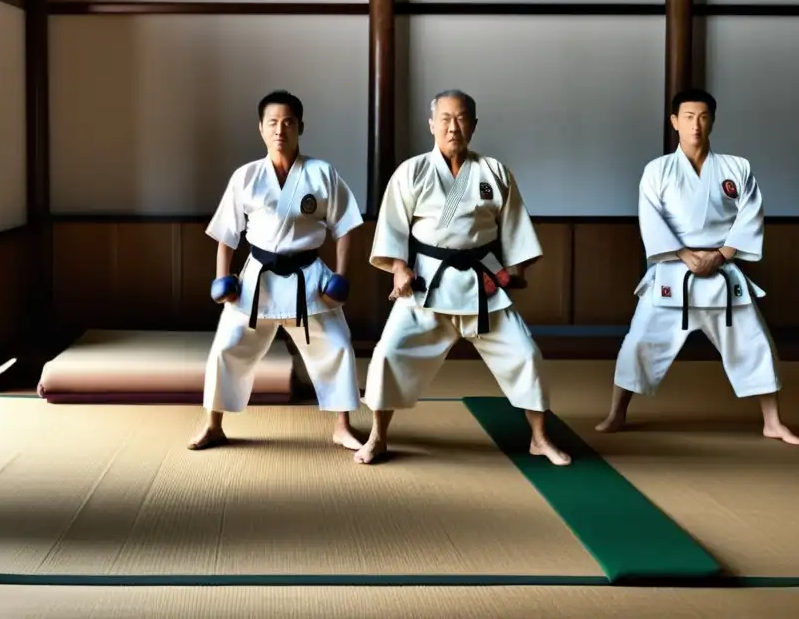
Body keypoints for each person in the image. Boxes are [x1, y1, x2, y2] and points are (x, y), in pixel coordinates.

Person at [356, 89, 571, 466]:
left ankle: (539, 437)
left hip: (482, 283)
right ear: (431, 124)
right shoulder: (412, 171)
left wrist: (515, 271)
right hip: (427, 282)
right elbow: (392, 228)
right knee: (389, 354)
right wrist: (398, 268)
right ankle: (378, 436)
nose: (452, 127)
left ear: (473, 124)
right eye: (445, 118)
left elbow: (514, 227)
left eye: (460, 119)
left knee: (526, 355)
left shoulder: (494, 171)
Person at [596, 89, 797, 444]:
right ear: (674, 122)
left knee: (755, 343)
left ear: (713, 121)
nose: (696, 125)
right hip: (674, 269)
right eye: (688, 117)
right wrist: (686, 255)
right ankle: (616, 413)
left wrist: (721, 255)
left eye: (703, 117)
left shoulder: (738, 167)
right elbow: (651, 220)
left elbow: (750, 215)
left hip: (723, 270)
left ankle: (773, 421)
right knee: (639, 342)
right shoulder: (658, 170)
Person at [188, 90, 365, 451]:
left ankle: (342, 425)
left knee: (338, 346)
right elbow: (227, 234)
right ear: (261, 129)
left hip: (309, 278)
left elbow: (346, 227)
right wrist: (224, 279)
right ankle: (213, 424)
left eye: (288, 123)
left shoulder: (321, 174)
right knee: (226, 348)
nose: (280, 130)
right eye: (272, 123)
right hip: (257, 280)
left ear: (301, 127)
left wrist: (341, 277)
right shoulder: (247, 176)